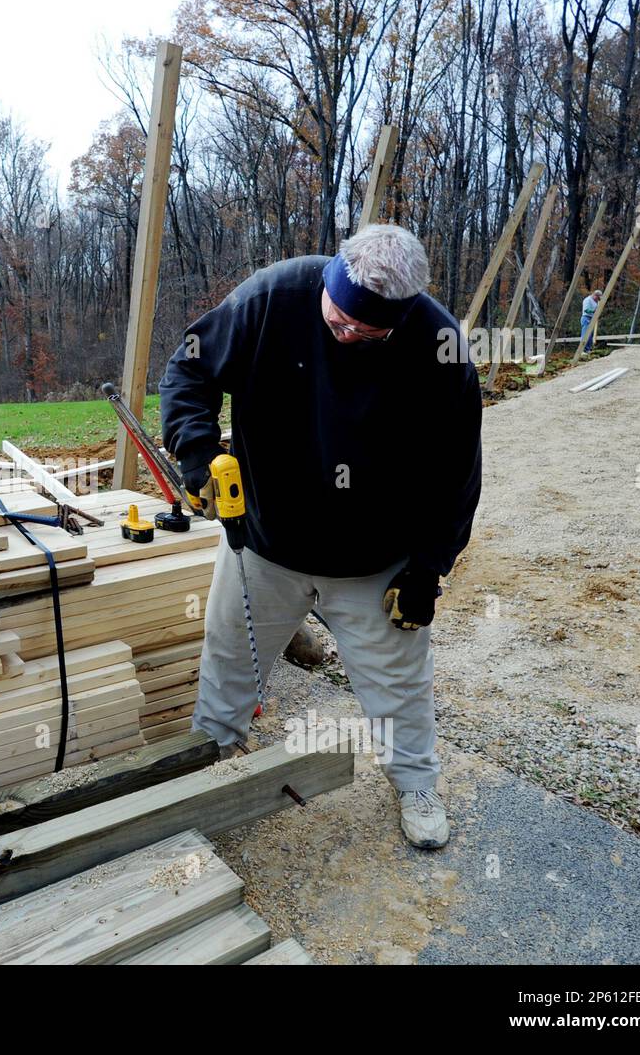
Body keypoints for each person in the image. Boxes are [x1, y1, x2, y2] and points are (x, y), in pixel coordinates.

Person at [158, 224, 482, 850]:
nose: (348, 334)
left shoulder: (440, 347)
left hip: (373, 560)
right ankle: (214, 762)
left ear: (405, 313)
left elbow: (456, 471)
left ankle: (415, 782)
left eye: (369, 332)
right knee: (229, 662)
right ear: (333, 277)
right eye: (340, 320)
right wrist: (197, 455)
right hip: (264, 544)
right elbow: (187, 372)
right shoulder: (271, 299)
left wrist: (428, 570)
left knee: (399, 686)